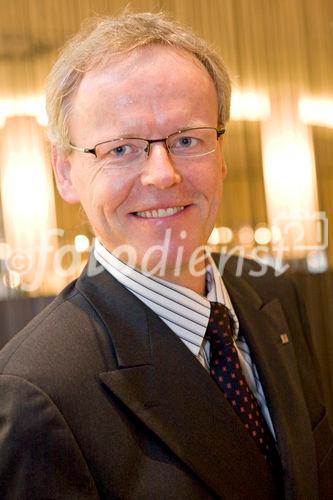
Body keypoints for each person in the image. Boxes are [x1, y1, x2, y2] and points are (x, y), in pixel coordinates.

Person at [0, 11, 332, 500]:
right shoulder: (36, 392)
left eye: (186, 140)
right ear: (65, 172)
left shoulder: (274, 297)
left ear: (220, 154)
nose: (162, 175)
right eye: (121, 149)